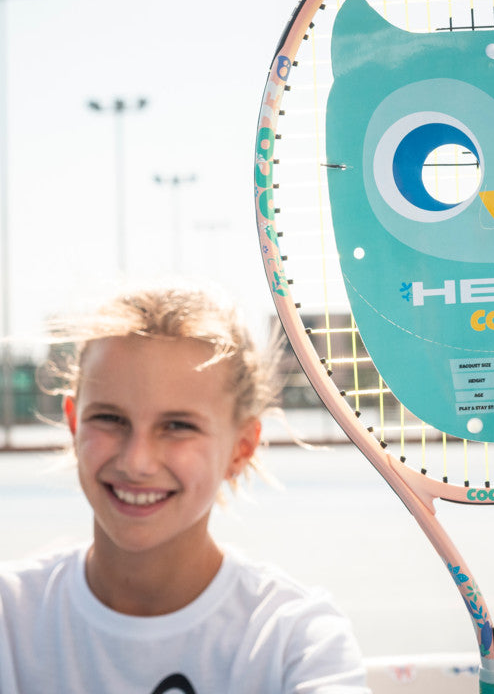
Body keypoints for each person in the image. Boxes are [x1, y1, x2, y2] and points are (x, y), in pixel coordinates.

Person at [0, 285, 370, 693]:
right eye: (109, 418)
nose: (136, 461)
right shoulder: (10, 618)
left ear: (240, 448)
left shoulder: (295, 640)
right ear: (73, 424)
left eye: (178, 426)